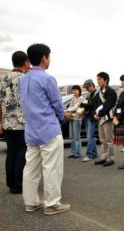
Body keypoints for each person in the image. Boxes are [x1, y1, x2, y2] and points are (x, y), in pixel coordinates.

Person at [19, 43, 70, 215]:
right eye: (49, 56)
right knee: (52, 168)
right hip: (48, 129)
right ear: (44, 58)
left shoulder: (23, 79)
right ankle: (52, 203)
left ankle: (31, 202)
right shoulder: (47, 78)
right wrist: (62, 118)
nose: (49, 60)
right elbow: (57, 104)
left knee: (31, 167)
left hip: (31, 130)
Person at [0, 51, 30, 194]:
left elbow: (0, 102)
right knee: (20, 154)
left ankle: (11, 183)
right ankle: (18, 184)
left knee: (11, 152)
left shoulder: (3, 78)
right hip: (22, 123)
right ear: (25, 62)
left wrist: (0, 122)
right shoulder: (26, 78)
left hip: (7, 123)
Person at [94, 72, 117, 167]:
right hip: (100, 118)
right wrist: (94, 114)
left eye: (99, 79)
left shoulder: (111, 91)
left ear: (106, 80)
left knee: (109, 139)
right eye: (97, 79)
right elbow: (95, 104)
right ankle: (104, 156)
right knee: (102, 139)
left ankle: (111, 158)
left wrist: (99, 114)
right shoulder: (99, 92)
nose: (98, 81)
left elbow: (108, 105)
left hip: (107, 118)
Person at [80, 79, 99, 162]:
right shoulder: (90, 94)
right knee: (91, 137)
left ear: (91, 85)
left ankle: (89, 155)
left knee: (90, 137)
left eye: (87, 87)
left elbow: (93, 105)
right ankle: (94, 153)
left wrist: (82, 104)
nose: (87, 89)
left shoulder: (96, 94)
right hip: (88, 116)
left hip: (92, 117)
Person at [65, 85, 85, 159]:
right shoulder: (73, 98)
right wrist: (67, 109)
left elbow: (75, 107)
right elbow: (70, 107)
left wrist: (66, 110)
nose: (74, 91)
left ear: (79, 91)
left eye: (76, 90)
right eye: (73, 90)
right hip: (72, 118)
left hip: (77, 119)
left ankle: (78, 153)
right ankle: (73, 152)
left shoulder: (81, 98)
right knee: (72, 137)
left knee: (76, 137)